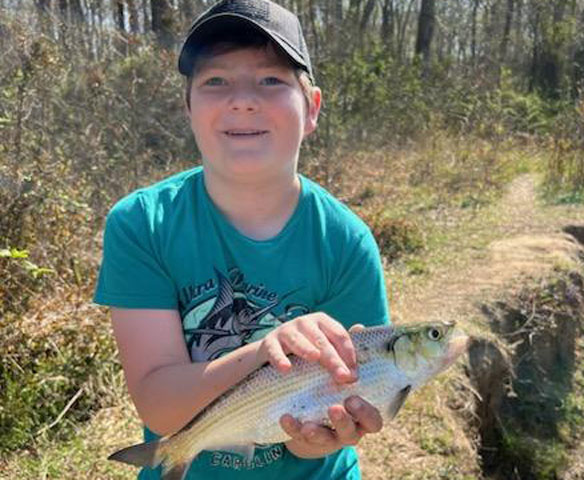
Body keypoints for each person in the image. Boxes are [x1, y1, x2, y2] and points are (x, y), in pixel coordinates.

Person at [94, 0, 390, 478]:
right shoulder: (142, 224)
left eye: (271, 80)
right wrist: (266, 348)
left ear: (311, 108)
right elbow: (161, 410)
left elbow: (347, 412)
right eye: (216, 81)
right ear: (188, 108)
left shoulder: (345, 242)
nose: (243, 99)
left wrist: (327, 437)